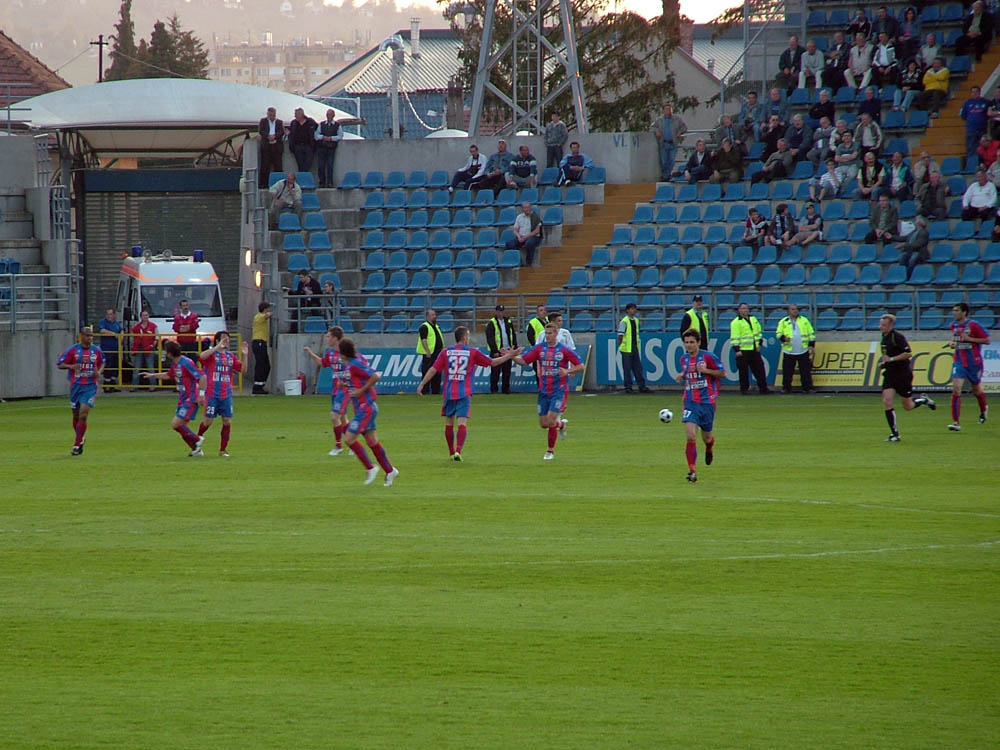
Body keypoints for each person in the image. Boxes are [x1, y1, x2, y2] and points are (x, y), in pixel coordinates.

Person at [417, 325, 522, 460]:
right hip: (464, 392)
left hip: (449, 392)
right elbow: (493, 363)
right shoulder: (472, 352)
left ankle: (451, 452)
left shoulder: (446, 352)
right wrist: (509, 355)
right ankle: (458, 451)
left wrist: (422, 384)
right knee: (462, 422)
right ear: (465, 338)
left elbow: (433, 369)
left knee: (449, 422)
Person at [513, 322, 584, 461]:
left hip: (559, 391)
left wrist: (567, 371)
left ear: (556, 334)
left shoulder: (563, 350)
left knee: (551, 420)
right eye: (546, 333)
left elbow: (580, 366)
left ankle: (550, 451)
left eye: (550, 333)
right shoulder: (540, 349)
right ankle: (562, 425)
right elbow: (524, 361)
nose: (548, 336)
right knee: (543, 424)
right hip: (544, 390)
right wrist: (511, 356)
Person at [338, 336, 398, 486]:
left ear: (344, 353)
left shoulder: (354, 364)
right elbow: (356, 381)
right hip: (362, 408)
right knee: (372, 441)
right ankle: (390, 471)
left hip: (366, 408)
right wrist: (344, 385)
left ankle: (370, 468)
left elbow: (376, 375)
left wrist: (361, 391)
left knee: (349, 439)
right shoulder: (350, 364)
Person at [140, 340, 207, 456]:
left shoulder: (186, 363)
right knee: (183, 427)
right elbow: (168, 375)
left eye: (166, 351)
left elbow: (202, 377)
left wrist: (201, 394)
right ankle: (196, 450)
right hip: (182, 398)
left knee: (176, 424)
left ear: (170, 353)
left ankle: (197, 439)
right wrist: (152, 375)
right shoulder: (176, 364)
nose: (166, 353)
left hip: (190, 398)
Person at [675, 328, 725, 483]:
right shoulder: (684, 359)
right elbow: (688, 374)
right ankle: (692, 471)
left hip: (707, 402)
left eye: (691, 342)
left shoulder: (708, 357)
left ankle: (709, 447)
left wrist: (707, 370)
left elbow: (722, 373)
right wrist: (682, 376)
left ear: (698, 343)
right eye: (686, 342)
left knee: (707, 437)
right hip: (690, 402)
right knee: (691, 436)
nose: (688, 345)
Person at [878, 314, 936, 442]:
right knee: (887, 401)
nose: (880, 327)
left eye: (883, 325)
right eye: (880, 324)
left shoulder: (897, 337)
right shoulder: (884, 338)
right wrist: (884, 364)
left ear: (891, 325)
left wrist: (892, 359)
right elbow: (887, 357)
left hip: (903, 374)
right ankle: (895, 434)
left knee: (908, 406)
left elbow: (908, 353)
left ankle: (924, 400)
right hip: (890, 374)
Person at [195, 331, 247, 457]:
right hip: (212, 393)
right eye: (224, 339)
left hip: (226, 394)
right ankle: (195, 442)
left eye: (228, 339)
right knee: (208, 422)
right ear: (217, 340)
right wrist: (217, 347)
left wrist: (245, 356)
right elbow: (201, 357)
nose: (226, 341)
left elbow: (243, 371)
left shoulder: (230, 357)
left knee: (227, 421)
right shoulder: (212, 355)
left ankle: (223, 450)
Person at [56, 326, 105, 455]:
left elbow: (102, 362)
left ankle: (76, 445)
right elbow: (60, 364)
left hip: (90, 387)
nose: (90, 338)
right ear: (81, 336)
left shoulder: (96, 350)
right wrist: (71, 366)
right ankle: (81, 438)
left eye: (91, 336)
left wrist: (98, 372)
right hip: (76, 386)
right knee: (76, 416)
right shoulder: (72, 350)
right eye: (87, 335)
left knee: (83, 414)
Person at [303, 326, 351, 456]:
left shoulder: (346, 352)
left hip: (345, 390)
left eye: (329, 336)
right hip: (335, 390)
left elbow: (355, 368)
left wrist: (347, 382)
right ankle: (352, 444)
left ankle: (338, 446)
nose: (327, 339)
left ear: (335, 338)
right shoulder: (330, 353)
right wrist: (311, 353)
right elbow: (322, 363)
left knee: (334, 416)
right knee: (342, 418)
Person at [948, 302, 991, 431]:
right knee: (956, 389)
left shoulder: (974, 325)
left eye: (956, 310)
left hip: (974, 362)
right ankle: (956, 422)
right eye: (953, 310)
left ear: (964, 312)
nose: (954, 313)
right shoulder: (953, 325)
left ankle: (984, 409)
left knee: (976, 390)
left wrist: (969, 339)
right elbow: (954, 338)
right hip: (959, 362)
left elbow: (987, 340)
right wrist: (952, 343)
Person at [730, 302, 769, 395]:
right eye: (743, 308)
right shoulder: (736, 322)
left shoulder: (753, 319)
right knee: (743, 372)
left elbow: (758, 332)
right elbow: (735, 337)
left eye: (746, 308)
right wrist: (737, 350)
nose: (745, 310)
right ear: (739, 310)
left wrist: (759, 343)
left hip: (754, 349)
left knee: (760, 369)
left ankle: (763, 388)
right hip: (743, 350)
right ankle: (744, 389)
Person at [775, 304, 816, 394]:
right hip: (789, 351)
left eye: (796, 309)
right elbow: (778, 333)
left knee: (805, 371)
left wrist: (811, 345)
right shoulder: (783, 321)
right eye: (793, 309)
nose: (795, 311)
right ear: (788, 311)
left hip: (803, 350)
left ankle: (807, 387)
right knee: (787, 372)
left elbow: (811, 333)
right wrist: (783, 338)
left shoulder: (804, 320)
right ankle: (786, 388)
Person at [484, 304, 517, 394]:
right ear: (496, 312)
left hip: (507, 350)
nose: (500, 313)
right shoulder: (492, 323)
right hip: (498, 351)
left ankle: (505, 389)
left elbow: (512, 334)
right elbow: (490, 338)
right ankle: (494, 389)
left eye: (502, 311)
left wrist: (514, 347)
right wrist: (494, 350)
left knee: (507, 372)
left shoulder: (508, 321)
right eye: (499, 311)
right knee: (495, 372)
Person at [618, 303, 649, 394]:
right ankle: (628, 387)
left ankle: (641, 386)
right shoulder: (624, 321)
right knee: (627, 369)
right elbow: (620, 335)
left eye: (634, 309)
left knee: (638, 368)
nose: (634, 311)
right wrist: (621, 346)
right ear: (627, 310)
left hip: (634, 347)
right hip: (627, 348)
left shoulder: (636, 320)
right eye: (632, 309)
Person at [652, 104, 688, 180]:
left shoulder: (677, 119)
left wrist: (680, 132)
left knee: (671, 160)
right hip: (663, 143)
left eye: (670, 109)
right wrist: (657, 131)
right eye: (667, 109)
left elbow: (684, 127)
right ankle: (665, 175)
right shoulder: (659, 120)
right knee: (663, 161)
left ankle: (666, 176)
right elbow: (652, 127)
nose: (668, 111)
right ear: (664, 110)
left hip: (673, 143)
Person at [505, 200, 542, 266]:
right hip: (521, 236)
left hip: (532, 236)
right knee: (509, 244)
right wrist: (519, 236)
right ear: (523, 209)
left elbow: (537, 231)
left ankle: (528, 262)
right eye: (525, 208)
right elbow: (515, 230)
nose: (527, 209)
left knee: (529, 243)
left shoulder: (536, 217)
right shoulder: (519, 217)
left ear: (530, 207)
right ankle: (519, 261)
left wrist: (525, 237)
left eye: (528, 207)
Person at [416, 308, 444, 395]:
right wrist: (427, 351)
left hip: (437, 354)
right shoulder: (424, 326)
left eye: (435, 315)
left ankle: (436, 391)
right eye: (432, 315)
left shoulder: (436, 326)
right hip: (430, 354)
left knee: (437, 373)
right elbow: (423, 339)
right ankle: (425, 391)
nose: (435, 317)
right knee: (427, 372)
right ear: (427, 316)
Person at [314, 108, 342, 188]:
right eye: (327, 115)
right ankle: (322, 182)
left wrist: (331, 138)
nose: (328, 116)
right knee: (320, 166)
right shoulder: (321, 124)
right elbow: (316, 135)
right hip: (321, 147)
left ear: (333, 116)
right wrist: (323, 137)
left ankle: (330, 182)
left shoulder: (337, 125)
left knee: (330, 166)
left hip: (331, 148)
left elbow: (340, 136)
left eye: (330, 115)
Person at [129, 309, 157, 391]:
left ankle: (153, 385)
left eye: (146, 315)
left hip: (149, 348)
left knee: (150, 367)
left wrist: (152, 345)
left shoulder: (153, 326)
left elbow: (156, 337)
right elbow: (132, 335)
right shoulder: (137, 327)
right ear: (141, 317)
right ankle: (134, 385)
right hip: (139, 348)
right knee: (137, 367)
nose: (145, 317)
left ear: (148, 316)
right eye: (143, 315)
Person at [257, 106, 285, 189]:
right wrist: (268, 136)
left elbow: (281, 131)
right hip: (266, 146)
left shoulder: (279, 122)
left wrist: (275, 136)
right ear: (268, 114)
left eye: (273, 115)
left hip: (276, 146)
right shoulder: (263, 121)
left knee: (278, 166)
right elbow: (261, 131)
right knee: (265, 166)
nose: (272, 117)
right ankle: (264, 184)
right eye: (270, 115)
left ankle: (279, 185)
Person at [961, 87, 991, 159]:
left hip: (982, 130)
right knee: (970, 148)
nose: (974, 93)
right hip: (971, 130)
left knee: (983, 148)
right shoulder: (967, 103)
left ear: (979, 92)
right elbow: (964, 115)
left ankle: (982, 164)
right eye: (972, 92)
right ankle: (971, 165)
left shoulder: (986, 102)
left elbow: (989, 115)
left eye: (976, 92)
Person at [96, 307, 122, 390]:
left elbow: (121, 330)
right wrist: (113, 333)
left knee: (115, 366)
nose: (109, 316)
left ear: (114, 315)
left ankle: (113, 385)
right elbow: (102, 331)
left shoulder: (116, 323)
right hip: (107, 349)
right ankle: (106, 385)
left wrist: (121, 335)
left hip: (116, 349)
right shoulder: (103, 322)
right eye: (107, 314)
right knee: (108, 366)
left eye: (110, 314)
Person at [287, 107, 317, 172]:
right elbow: (291, 133)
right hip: (298, 146)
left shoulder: (310, 122)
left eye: (296, 115)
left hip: (308, 146)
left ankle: (303, 176)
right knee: (300, 164)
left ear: (301, 115)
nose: (295, 116)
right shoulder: (293, 123)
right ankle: (302, 177)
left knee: (308, 164)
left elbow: (317, 130)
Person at [251, 301, 272, 395]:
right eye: (268, 308)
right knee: (261, 365)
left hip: (261, 342)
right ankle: (257, 386)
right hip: (258, 342)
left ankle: (260, 385)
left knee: (266, 365)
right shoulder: (259, 316)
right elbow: (267, 315)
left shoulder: (259, 317)